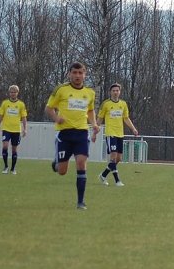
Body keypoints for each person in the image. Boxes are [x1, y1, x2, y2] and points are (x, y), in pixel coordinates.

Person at [45, 61, 99, 210]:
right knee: (62, 171)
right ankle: (57, 161)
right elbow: (49, 108)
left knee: (81, 163)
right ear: (69, 74)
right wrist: (57, 118)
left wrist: (93, 123)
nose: (77, 76)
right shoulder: (61, 90)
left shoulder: (90, 93)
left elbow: (90, 110)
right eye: (74, 73)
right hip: (65, 133)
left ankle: (80, 202)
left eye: (80, 73)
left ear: (84, 75)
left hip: (81, 133)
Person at [96, 83, 138, 187]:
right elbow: (100, 118)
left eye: (117, 90)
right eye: (114, 90)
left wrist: (133, 128)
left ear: (120, 92)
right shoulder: (105, 104)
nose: (115, 92)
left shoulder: (123, 104)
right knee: (113, 157)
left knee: (119, 158)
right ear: (110, 92)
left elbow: (126, 118)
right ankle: (117, 180)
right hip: (111, 133)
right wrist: (96, 128)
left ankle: (103, 175)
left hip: (120, 133)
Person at [0, 85, 28, 174]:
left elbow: (24, 117)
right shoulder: (5, 103)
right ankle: (5, 166)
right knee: (5, 146)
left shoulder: (21, 104)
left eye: (14, 92)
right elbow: (0, 116)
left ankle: (13, 168)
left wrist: (25, 129)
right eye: (11, 92)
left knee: (14, 149)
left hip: (16, 130)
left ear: (17, 93)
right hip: (6, 129)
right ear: (9, 93)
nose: (13, 93)